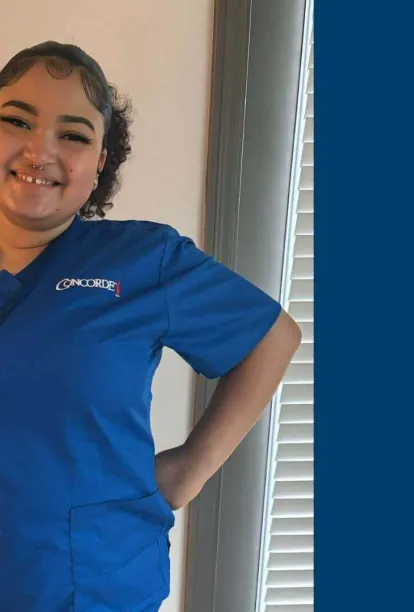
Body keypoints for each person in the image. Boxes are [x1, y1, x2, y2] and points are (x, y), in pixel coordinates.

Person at [0, 41, 302, 611]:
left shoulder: (144, 262)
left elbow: (272, 337)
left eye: (74, 134)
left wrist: (190, 468)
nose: (39, 150)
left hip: (90, 585)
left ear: (100, 165)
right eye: (16, 120)